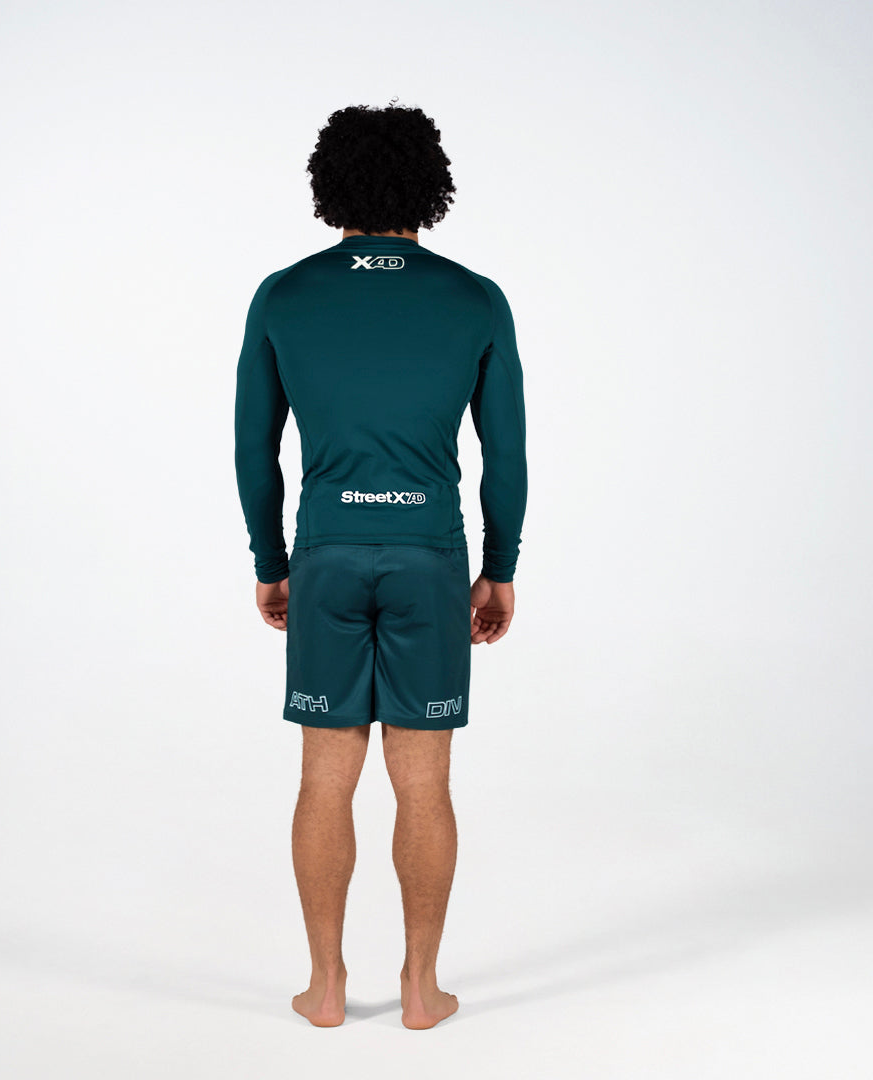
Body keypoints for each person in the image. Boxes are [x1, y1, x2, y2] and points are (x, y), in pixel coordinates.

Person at [233, 102, 528, 1030]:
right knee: (425, 782)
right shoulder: (475, 299)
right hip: (429, 559)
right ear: (429, 187)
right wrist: (500, 566)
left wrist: (272, 561)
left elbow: (253, 450)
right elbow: (507, 455)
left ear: (331, 186)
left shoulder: (284, 295)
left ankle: (324, 988)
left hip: (323, 553)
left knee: (324, 778)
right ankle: (420, 989)